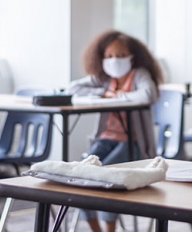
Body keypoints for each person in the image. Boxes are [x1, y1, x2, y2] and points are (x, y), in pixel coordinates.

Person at [66, 30, 162, 232]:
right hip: (104, 140)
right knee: (79, 174)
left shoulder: (139, 75)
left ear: (132, 56)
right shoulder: (103, 79)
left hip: (133, 144)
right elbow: (72, 89)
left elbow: (148, 94)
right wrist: (103, 92)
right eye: (109, 56)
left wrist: (118, 97)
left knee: (105, 178)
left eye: (120, 55)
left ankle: (110, 229)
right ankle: (96, 229)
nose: (114, 61)